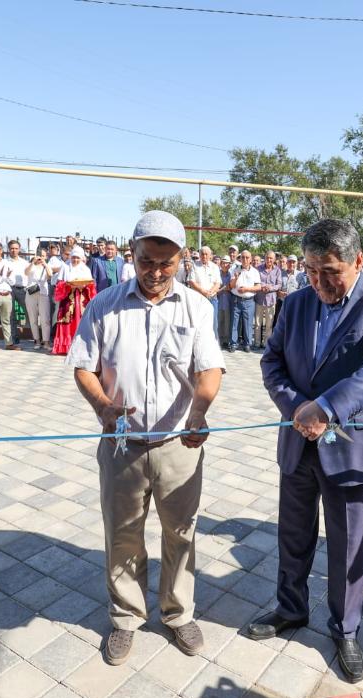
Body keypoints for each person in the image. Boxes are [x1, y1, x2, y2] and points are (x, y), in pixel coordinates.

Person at [66, 210, 224, 665]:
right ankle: (126, 617)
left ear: (182, 259)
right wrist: (102, 406)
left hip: (180, 445)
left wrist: (199, 411)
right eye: (147, 261)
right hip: (122, 446)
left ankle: (178, 613)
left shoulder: (197, 306)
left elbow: (208, 369)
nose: (156, 273)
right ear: (130, 254)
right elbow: (83, 366)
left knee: (181, 531)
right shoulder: (104, 305)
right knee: (122, 534)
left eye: (166, 263)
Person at [253, 218, 363, 684]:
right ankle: (290, 609)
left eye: (330, 271)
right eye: (311, 270)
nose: (319, 282)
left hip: (352, 447)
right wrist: (298, 406)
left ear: (358, 261)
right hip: (299, 442)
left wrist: (327, 406)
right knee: (293, 535)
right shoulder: (296, 302)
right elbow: (272, 360)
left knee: (347, 545)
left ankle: (345, 628)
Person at [51, 246, 95, 355]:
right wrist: (69, 286)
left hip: (81, 299)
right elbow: (59, 284)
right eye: (73, 257)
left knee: (80, 321)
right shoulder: (65, 268)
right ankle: (65, 347)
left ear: (81, 258)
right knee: (67, 321)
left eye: (78, 258)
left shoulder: (85, 269)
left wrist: (84, 286)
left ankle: (81, 347)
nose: (75, 260)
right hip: (67, 299)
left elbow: (91, 285)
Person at [229, 250, 261, 352]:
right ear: (240, 258)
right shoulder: (235, 269)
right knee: (234, 322)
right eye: (243, 257)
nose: (245, 259)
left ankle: (247, 344)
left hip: (249, 301)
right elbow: (231, 286)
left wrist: (246, 289)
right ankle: (233, 343)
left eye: (247, 257)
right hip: (236, 300)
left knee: (248, 323)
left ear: (250, 259)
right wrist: (236, 278)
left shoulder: (255, 272)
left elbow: (258, 287)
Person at [188, 246, 222, 338]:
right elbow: (191, 281)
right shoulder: (194, 265)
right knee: (198, 322)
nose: (204, 256)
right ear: (199, 255)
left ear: (210, 255)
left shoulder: (215, 267)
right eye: (202, 254)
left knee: (213, 322)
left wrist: (211, 291)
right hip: (198, 299)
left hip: (212, 298)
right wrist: (203, 291)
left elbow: (218, 283)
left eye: (206, 254)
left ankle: (214, 344)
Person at [24, 247, 53, 350]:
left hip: (43, 294)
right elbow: (26, 273)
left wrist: (44, 263)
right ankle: (36, 340)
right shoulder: (31, 265)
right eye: (40, 256)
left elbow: (50, 275)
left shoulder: (46, 266)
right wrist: (33, 262)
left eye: (44, 256)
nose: (41, 258)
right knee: (33, 318)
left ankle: (46, 341)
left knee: (45, 319)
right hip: (31, 294)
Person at [254, 251, 282, 348]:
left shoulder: (277, 270)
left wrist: (270, 288)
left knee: (269, 325)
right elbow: (255, 281)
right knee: (258, 323)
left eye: (271, 258)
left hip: (271, 301)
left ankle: (266, 344)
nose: (269, 260)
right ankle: (257, 343)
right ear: (264, 258)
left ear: (274, 259)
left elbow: (279, 285)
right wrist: (263, 286)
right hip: (259, 299)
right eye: (267, 258)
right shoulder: (258, 269)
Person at [217, 257, 234, 350]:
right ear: (220, 264)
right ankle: (218, 340)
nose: (225, 265)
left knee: (227, 322)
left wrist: (223, 288)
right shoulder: (217, 274)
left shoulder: (231, 275)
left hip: (228, 301)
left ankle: (226, 341)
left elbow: (231, 287)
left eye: (227, 263)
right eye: (223, 263)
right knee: (219, 322)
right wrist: (224, 288)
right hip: (219, 301)